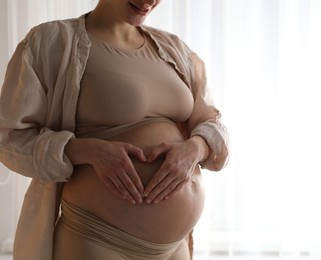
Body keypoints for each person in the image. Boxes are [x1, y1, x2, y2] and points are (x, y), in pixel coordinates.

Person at [0, 0, 229, 259]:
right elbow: (8, 139)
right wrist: (86, 150)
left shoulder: (174, 49)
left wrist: (195, 148)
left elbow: (214, 125)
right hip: (97, 240)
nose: (149, 1)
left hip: (175, 248)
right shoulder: (51, 43)